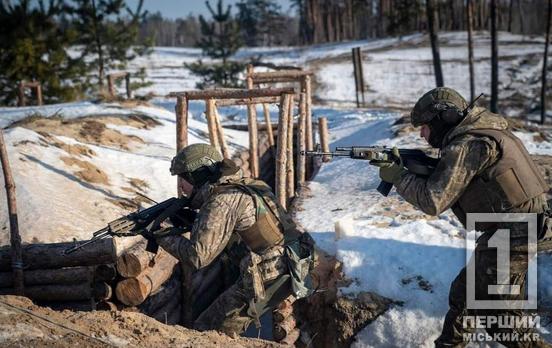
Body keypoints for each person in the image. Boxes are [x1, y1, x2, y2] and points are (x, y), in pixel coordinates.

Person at [372, 87, 551, 347]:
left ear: (444, 118)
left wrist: (397, 176)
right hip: (511, 229)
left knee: (500, 321)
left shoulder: (468, 144)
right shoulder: (486, 132)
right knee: (464, 295)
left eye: (424, 127)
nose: (422, 134)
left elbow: (433, 201)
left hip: (515, 233)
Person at [151, 143, 315, 338]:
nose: (180, 186)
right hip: (294, 260)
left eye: (184, 177)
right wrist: (194, 222)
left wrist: (162, 235)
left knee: (206, 330)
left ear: (199, 175)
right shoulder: (244, 185)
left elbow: (197, 257)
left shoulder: (221, 201)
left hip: (275, 272)